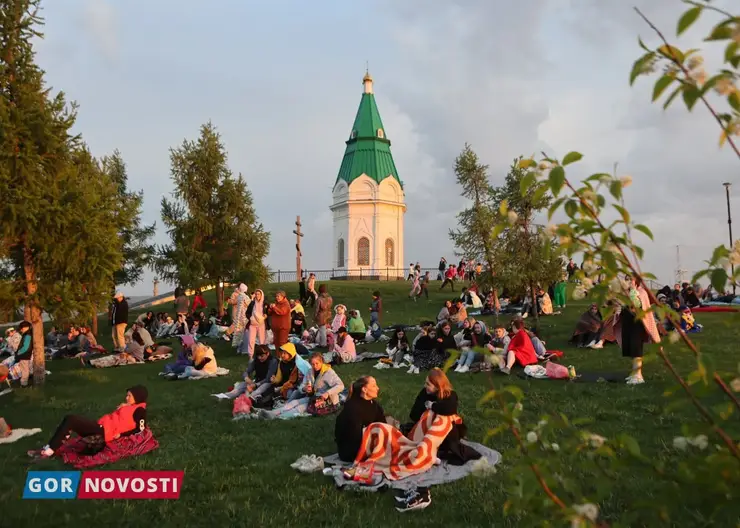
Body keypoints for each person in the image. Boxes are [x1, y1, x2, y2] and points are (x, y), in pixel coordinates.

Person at [28, 386, 148, 459]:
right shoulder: (130, 406)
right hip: (101, 427)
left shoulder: (139, 410)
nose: (126, 398)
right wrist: (126, 406)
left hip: (104, 432)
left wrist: (121, 435)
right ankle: (49, 448)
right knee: (70, 420)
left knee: (71, 419)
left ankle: (49, 451)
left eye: (129, 396)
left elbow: (140, 428)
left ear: (137, 397)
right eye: (127, 395)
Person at [406, 368, 480, 465]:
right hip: (426, 429)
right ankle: (430, 450)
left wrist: (432, 406)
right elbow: (413, 414)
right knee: (430, 414)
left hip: (447, 433)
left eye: (428, 384)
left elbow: (448, 410)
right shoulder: (424, 393)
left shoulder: (450, 395)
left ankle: (437, 450)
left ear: (437, 386)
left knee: (444, 417)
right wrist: (427, 414)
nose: (425, 386)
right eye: (426, 383)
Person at [259, 352, 344, 419]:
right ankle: (272, 413)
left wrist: (328, 393)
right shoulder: (310, 372)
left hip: (327, 401)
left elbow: (340, 385)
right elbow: (302, 386)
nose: (315, 366)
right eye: (312, 364)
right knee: (294, 402)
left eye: (317, 363)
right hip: (314, 397)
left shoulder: (329, 372)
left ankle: (277, 417)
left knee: (300, 407)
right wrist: (305, 388)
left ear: (321, 362)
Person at [334, 376, 397, 463]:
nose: (377, 388)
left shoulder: (374, 405)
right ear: (364, 389)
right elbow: (354, 436)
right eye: (374, 386)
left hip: (367, 442)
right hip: (351, 451)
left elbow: (383, 424)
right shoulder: (353, 407)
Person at [618, 275, 661, 385]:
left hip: (638, 322)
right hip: (628, 321)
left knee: (636, 346)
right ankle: (634, 373)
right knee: (630, 347)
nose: (627, 281)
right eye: (626, 279)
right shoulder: (625, 292)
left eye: (630, 279)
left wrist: (632, 290)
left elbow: (637, 304)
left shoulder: (641, 292)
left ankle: (639, 375)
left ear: (636, 281)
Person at [241, 288, 266, 357]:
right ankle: (250, 355)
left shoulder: (264, 303)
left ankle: (262, 354)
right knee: (251, 340)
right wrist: (251, 318)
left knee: (262, 340)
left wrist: (266, 315)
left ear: (261, 295)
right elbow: (247, 313)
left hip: (261, 324)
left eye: (258, 294)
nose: (257, 295)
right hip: (253, 325)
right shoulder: (252, 303)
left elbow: (268, 312)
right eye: (256, 294)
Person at [11, 321, 33, 387]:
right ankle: (25, 382)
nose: (21, 330)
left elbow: (26, 347)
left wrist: (18, 353)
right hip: (25, 355)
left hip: (24, 355)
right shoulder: (27, 334)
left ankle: (24, 384)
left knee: (25, 370)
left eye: (22, 328)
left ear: (26, 327)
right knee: (25, 369)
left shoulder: (28, 335)